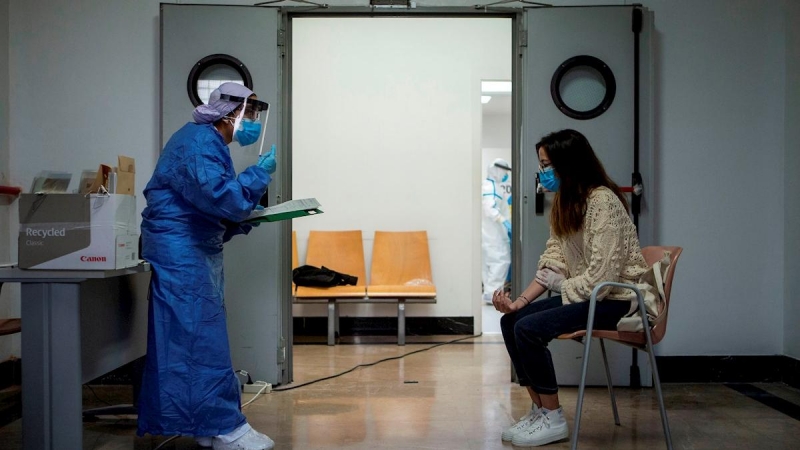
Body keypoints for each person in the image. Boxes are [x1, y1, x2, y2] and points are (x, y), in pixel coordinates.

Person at [137, 82, 277, 450]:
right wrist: (259, 176)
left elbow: (208, 205)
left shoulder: (208, 142)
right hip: (182, 251)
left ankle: (205, 426)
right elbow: (223, 199)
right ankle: (226, 429)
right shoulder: (200, 142)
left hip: (192, 247)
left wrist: (247, 215)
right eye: (250, 114)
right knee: (200, 339)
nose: (253, 123)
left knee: (188, 340)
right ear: (231, 112)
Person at [493, 129, 653, 447]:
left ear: (570, 163)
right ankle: (540, 409)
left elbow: (601, 278)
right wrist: (520, 302)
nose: (544, 173)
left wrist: (561, 284)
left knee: (529, 330)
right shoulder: (568, 202)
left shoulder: (602, 202)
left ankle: (553, 419)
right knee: (511, 321)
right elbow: (554, 261)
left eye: (548, 165)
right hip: (592, 294)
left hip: (619, 299)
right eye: (542, 165)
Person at [481, 158, 512, 304]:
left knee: (490, 264)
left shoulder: (489, 186)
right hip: (495, 235)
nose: (506, 174)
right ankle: (492, 294)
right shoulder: (491, 186)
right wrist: (504, 222)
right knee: (500, 261)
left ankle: (489, 293)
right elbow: (490, 209)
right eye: (504, 171)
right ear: (497, 170)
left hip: (489, 234)